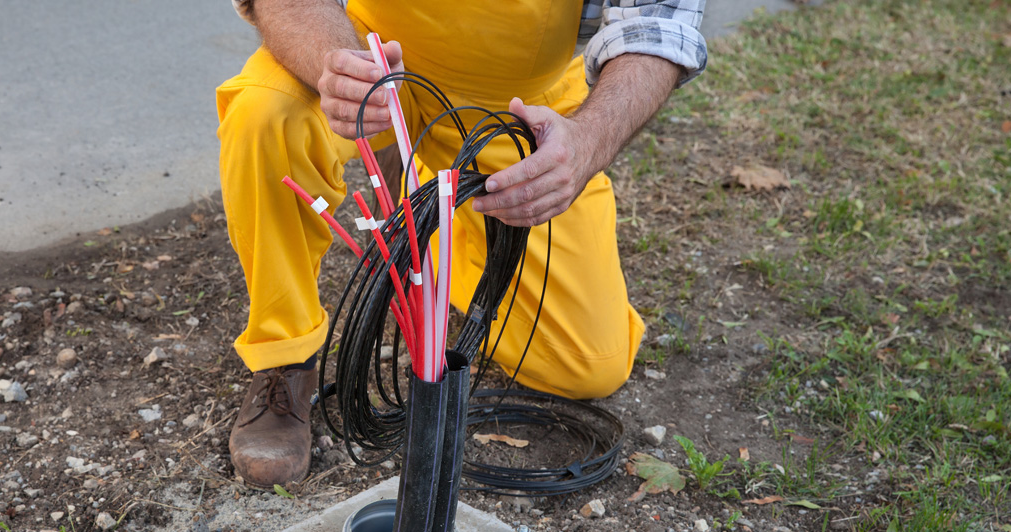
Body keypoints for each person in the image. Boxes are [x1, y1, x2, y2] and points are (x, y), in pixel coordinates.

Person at [215, 0, 707, 487]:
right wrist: (335, 63)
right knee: (265, 113)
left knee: (587, 366)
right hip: (375, 63)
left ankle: (434, 193)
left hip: (516, 105)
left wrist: (585, 144)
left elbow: (654, 27)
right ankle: (284, 355)